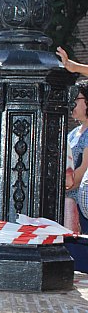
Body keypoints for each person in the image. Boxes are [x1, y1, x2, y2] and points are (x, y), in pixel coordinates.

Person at [66, 80, 88, 233]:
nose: (72, 103)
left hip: (82, 208)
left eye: (76, 98)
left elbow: (82, 172)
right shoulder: (73, 133)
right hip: (68, 205)